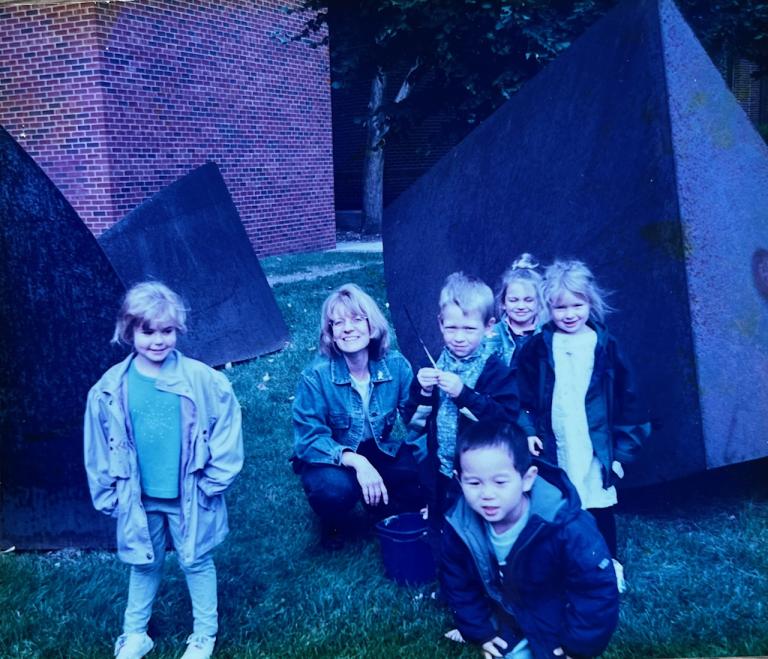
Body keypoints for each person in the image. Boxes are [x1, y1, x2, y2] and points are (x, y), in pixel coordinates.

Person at [84, 282, 244, 659]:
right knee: (144, 563)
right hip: (139, 498)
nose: (158, 341)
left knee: (196, 560)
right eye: (148, 331)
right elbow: (97, 446)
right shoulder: (111, 389)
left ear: (178, 331)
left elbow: (227, 426)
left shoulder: (202, 380)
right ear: (129, 331)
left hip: (190, 493)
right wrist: (107, 490)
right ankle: (135, 634)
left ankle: (204, 635)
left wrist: (213, 480)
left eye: (167, 331)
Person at [517, 260, 650, 590]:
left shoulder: (605, 345)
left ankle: (609, 566)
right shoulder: (538, 348)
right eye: (560, 307)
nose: (569, 313)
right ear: (548, 308)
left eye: (577, 304)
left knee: (598, 506)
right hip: (556, 444)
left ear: (591, 302)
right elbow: (519, 395)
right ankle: (560, 566)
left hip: (594, 446)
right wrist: (530, 431)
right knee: (556, 506)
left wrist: (620, 452)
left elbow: (629, 401)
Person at [441, 421, 619, 659]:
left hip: (559, 623)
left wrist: (578, 646)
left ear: (527, 479)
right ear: (459, 479)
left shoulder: (567, 526)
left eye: (500, 482)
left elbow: (595, 589)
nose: (487, 494)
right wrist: (480, 631)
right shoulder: (459, 525)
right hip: (509, 618)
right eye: (474, 483)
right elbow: (458, 582)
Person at [291, 283, 422, 550]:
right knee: (334, 490)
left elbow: (416, 420)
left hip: (377, 448)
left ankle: (382, 502)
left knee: (420, 471)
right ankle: (333, 525)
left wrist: (425, 395)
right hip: (331, 456)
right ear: (331, 334)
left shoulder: (395, 365)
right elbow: (307, 439)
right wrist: (358, 462)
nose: (347, 328)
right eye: (337, 323)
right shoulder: (315, 375)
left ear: (372, 326)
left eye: (356, 319)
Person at [405, 272, 518, 530]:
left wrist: (464, 394)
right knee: (442, 528)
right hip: (441, 469)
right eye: (452, 327)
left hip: (480, 474)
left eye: (469, 329)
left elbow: (505, 421)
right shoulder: (434, 365)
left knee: (476, 530)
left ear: (489, 327)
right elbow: (413, 425)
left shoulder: (495, 370)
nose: (459, 337)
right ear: (440, 323)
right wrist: (421, 392)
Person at [490, 253, 546, 368]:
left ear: (539, 303)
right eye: (514, 300)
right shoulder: (492, 334)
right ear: (503, 303)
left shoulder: (546, 333)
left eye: (528, 300)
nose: (521, 306)